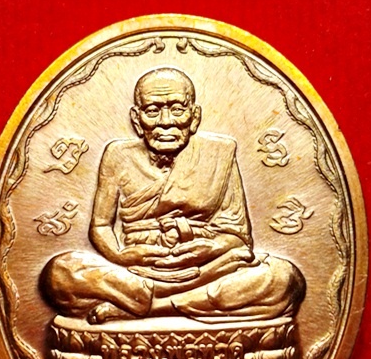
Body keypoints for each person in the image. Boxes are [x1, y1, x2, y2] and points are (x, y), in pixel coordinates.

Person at [40, 67, 305, 324]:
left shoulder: (220, 153)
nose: (166, 122)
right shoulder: (118, 155)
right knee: (60, 273)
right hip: (134, 271)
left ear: (195, 117)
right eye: (152, 111)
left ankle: (151, 306)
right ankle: (168, 300)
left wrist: (210, 249)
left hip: (207, 269)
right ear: (136, 119)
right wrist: (121, 256)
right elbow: (100, 226)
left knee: (283, 278)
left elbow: (238, 236)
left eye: (177, 109)